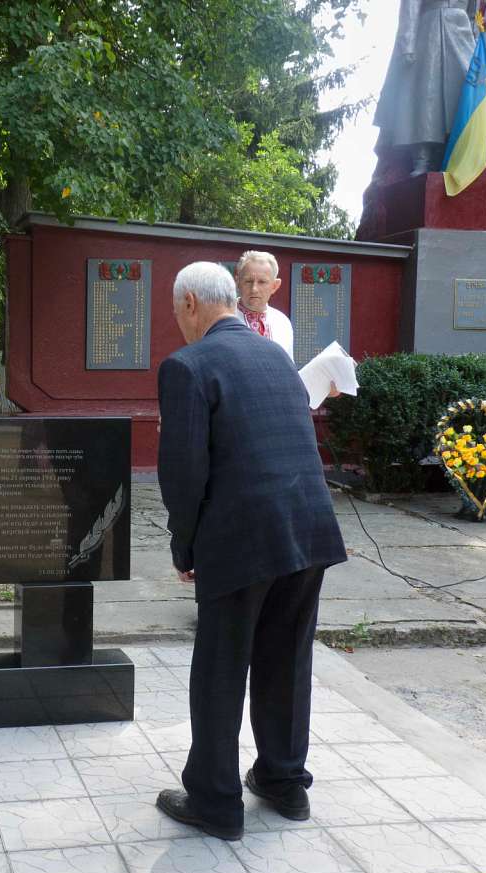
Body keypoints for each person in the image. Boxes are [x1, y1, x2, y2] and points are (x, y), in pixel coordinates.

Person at [154, 261, 347, 840]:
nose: (178, 325)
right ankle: (284, 782)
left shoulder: (187, 366)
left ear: (191, 303)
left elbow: (184, 472)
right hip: (308, 532)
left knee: (220, 667)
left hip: (240, 538)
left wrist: (183, 547)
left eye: (175, 313)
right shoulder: (277, 359)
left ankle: (215, 802)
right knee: (287, 660)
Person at [374, 0, 478, 176]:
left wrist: (473, 37)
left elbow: (472, 13)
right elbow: (411, 6)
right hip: (430, 30)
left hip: (462, 32)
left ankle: (457, 157)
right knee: (426, 97)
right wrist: (407, 43)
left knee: (466, 94)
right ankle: (422, 158)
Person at [235, 251, 294, 361]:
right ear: (238, 282)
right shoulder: (224, 317)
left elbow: (289, 367)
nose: (254, 289)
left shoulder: (282, 322)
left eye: (262, 282)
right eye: (248, 281)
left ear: (275, 286)